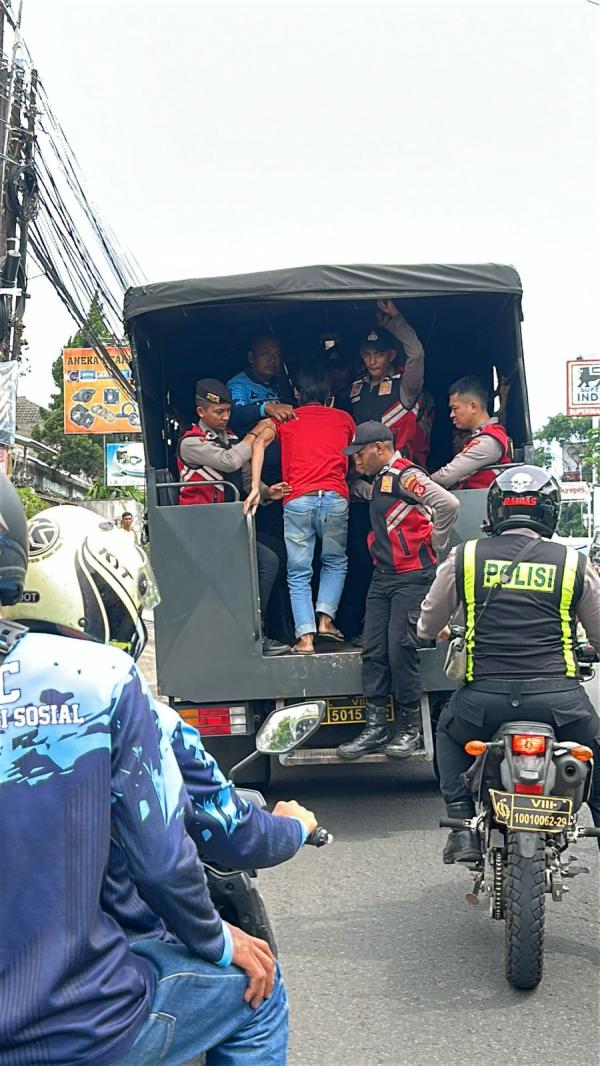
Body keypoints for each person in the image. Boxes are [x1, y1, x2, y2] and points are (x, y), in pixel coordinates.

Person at [0, 480, 295, 1066]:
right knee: (260, 995)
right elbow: (167, 860)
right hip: (73, 1023)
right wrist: (216, 938)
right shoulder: (100, 679)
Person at [417, 466, 600, 865]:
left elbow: (428, 623)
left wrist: (446, 631)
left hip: (484, 702)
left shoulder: (465, 556)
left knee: (447, 736)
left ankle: (463, 826)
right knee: (596, 752)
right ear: (549, 512)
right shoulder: (572, 562)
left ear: (496, 511)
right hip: (559, 703)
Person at [335, 422, 459, 760]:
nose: (356, 461)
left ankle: (409, 729)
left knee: (400, 649)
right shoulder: (381, 479)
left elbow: (448, 504)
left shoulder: (405, 475)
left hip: (412, 576)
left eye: (359, 454)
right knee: (373, 649)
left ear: (380, 448)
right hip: (384, 576)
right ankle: (375, 728)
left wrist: (435, 542)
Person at [244, 364, 355, 654]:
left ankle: (305, 639)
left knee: (298, 572)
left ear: (296, 392)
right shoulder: (344, 419)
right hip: (334, 497)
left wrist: (257, 486)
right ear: (329, 393)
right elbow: (356, 459)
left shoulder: (286, 418)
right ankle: (326, 620)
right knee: (335, 561)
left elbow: (257, 443)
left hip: (297, 499)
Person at [177, 377, 291, 655]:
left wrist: (266, 492)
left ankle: (263, 627)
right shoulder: (191, 442)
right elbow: (229, 461)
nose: (225, 417)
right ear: (201, 412)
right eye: (219, 412)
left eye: (228, 411)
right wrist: (254, 434)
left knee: (277, 552)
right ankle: (251, 633)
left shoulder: (230, 437)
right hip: (203, 528)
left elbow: (242, 477)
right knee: (267, 561)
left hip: (228, 525)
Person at [348, 299, 431, 466]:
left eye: (378, 354)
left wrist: (396, 319)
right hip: (364, 469)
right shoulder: (357, 386)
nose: (372, 361)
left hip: (399, 469)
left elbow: (416, 353)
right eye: (367, 355)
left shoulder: (405, 384)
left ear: (391, 355)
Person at [227, 334, 296, 485]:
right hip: (256, 468)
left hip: (287, 468)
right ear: (251, 357)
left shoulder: (279, 384)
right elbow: (234, 414)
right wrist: (267, 408)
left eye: (277, 355)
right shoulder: (239, 384)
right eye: (265, 353)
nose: (272, 360)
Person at [430, 374, 511, 489]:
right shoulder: (484, 436)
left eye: (455, 408)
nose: (451, 415)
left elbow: (446, 476)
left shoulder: (488, 441)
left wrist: (419, 485)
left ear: (473, 407)